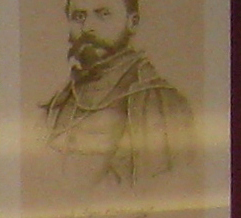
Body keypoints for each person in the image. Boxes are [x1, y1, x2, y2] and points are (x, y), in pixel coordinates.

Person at [41, 0, 195, 191]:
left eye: (103, 14)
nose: (87, 27)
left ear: (132, 22)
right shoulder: (59, 102)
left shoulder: (164, 102)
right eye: (79, 17)